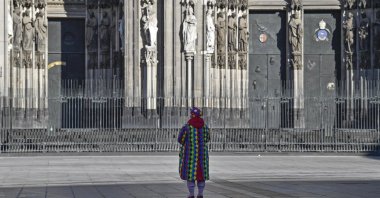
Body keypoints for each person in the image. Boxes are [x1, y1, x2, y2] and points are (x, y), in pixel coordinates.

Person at [178, 107, 210, 198]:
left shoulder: (187, 127)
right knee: (201, 175)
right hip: (202, 156)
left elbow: (180, 139)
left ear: (192, 115)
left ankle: (191, 194)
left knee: (190, 175)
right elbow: (208, 138)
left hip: (190, 155)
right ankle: (200, 193)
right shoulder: (205, 127)